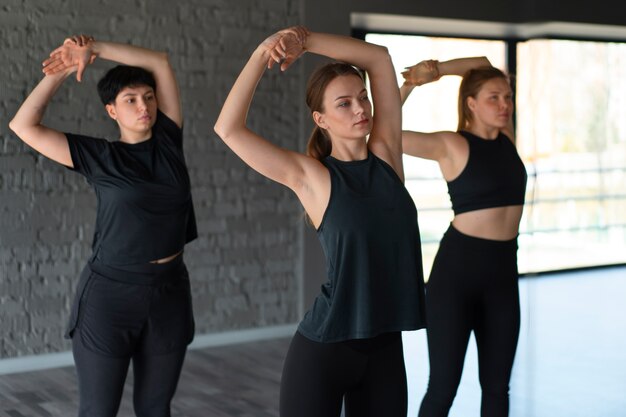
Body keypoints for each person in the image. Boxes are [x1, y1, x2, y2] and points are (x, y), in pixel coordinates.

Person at [214, 26, 426, 417]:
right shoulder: (312, 176)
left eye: (362, 97)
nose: (361, 109)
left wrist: (305, 40)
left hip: (385, 349)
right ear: (321, 119)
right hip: (325, 349)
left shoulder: (387, 157)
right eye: (343, 104)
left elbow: (378, 57)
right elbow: (228, 129)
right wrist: (265, 51)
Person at [9, 35, 196, 417]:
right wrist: (62, 69)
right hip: (110, 297)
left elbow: (160, 59)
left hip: (170, 292)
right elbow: (23, 125)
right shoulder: (100, 157)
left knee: (156, 408)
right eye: (130, 100)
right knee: (98, 410)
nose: (143, 106)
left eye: (148, 96)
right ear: (111, 111)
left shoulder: (169, 142)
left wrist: (94, 48)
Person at [400, 57, 527, 417]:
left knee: (497, 388)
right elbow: (381, 130)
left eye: (508, 97)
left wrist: (440, 69)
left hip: (503, 277)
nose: (504, 105)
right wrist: (413, 83)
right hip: (456, 279)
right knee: (443, 388)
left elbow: (483, 64)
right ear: (471, 103)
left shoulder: (507, 137)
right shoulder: (450, 145)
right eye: (493, 98)